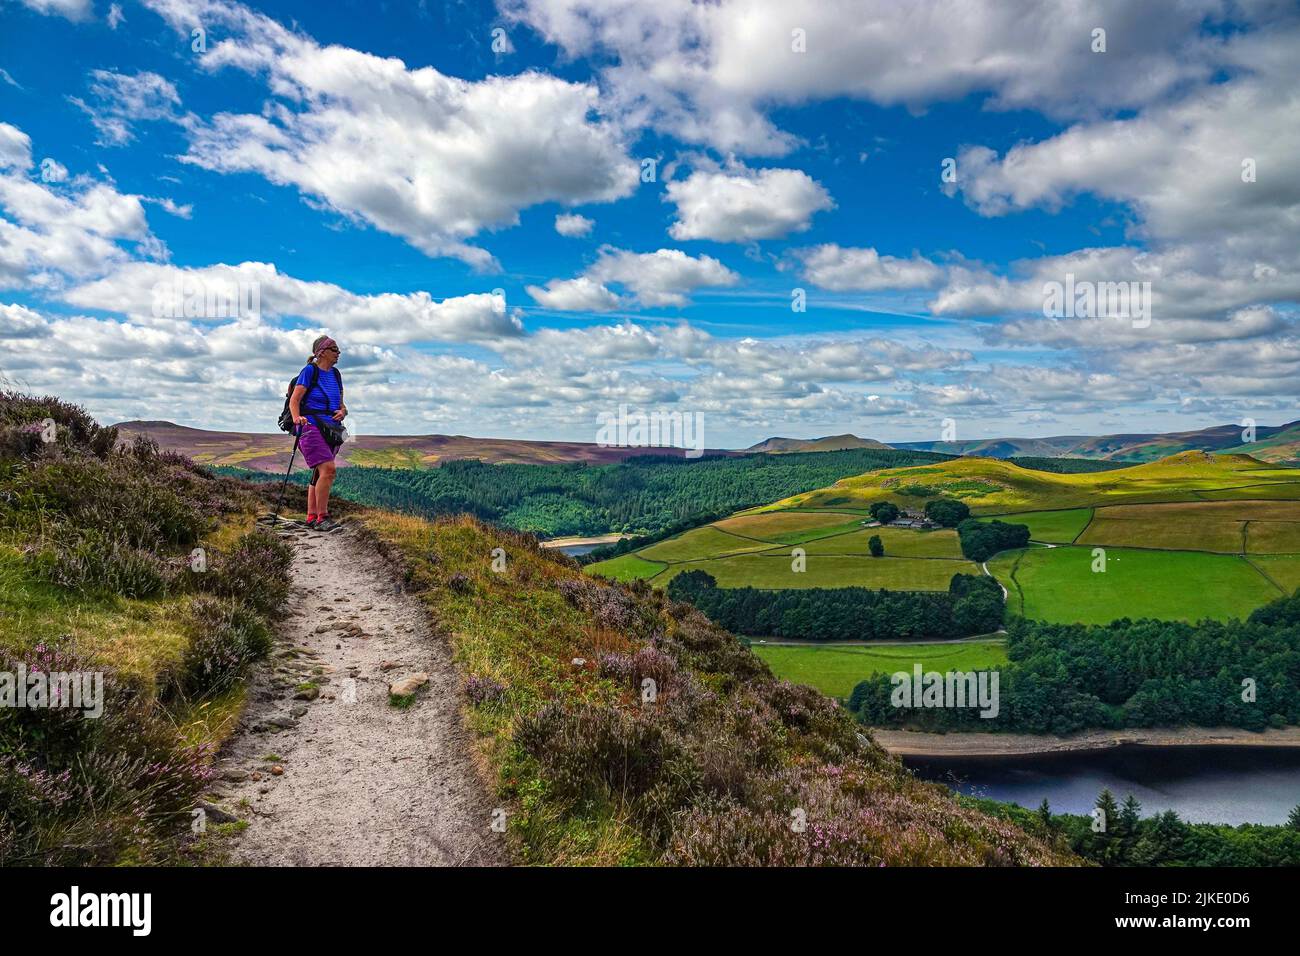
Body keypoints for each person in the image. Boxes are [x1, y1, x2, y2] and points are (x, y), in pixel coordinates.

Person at [288, 335, 348, 531]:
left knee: (319, 473)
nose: (338, 353)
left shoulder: (336, 374)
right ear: (321, 352)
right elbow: (294, 400)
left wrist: (342, 412)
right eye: (334, 349)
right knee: (328, 470)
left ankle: (312, 516)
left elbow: (341, 404)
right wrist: (297, 418)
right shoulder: (309, 371)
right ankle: (323, 518)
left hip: (331, 428)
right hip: (310, 426)